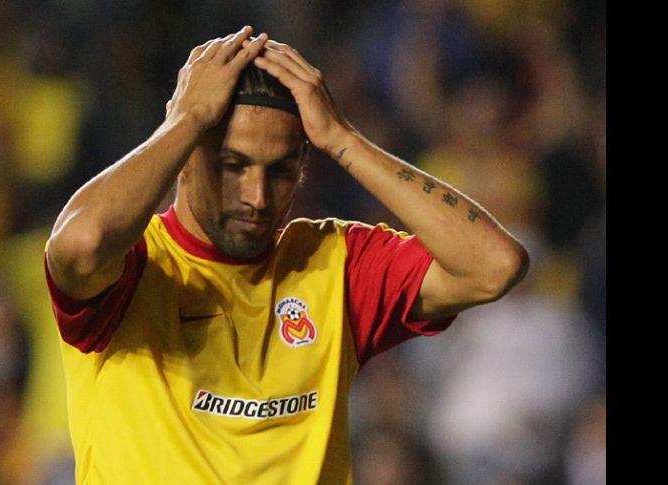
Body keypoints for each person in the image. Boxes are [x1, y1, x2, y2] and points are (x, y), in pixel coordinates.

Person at [44, 26, 529, 484]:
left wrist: (342, 138)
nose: (257, 196)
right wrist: (186, 120)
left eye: (279, 171)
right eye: (234, 166)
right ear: (186, 157)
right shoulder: (133, 266)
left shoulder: (333, 264)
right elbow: (79, 245)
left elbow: (494, 265)